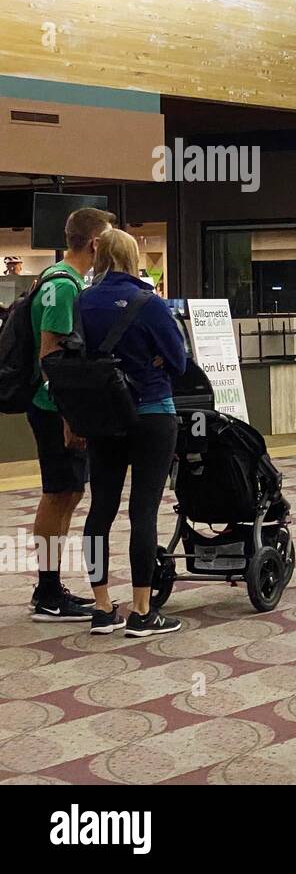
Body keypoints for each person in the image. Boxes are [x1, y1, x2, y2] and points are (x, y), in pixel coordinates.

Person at [79, 229, 188, 637]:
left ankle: (102, 605)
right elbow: (178, 360)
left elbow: (77, 354)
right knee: (143, 511)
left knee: (100, 510)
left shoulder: (83, 301)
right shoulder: (150, 302)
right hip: (151, 411)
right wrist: (154, 358)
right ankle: (143, 611)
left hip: (102, 417)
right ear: (130, 257)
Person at [28, 206, 116, 622]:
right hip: (52, 407)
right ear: (96, 243)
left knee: (69, 492)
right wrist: (70, 417)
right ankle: (46, 591)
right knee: (57, 492)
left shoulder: (58, 280)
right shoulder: (64, 287)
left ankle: (51, 586)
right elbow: (51, 356)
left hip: (52, 404)